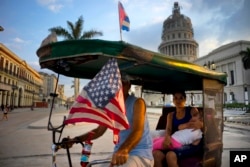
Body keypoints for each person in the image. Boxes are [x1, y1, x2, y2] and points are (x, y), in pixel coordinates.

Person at [69, 74, 154, 167]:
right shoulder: (112, 107)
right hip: (119, 153)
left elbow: (138, 131)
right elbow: (99, 131)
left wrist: (124, 150)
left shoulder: (138, 103)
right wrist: (75, 140)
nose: (118, 88)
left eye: (122, 84)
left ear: (128, 85)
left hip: (140, 154)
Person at [153, 90, 203, 167]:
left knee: (170, 155)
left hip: (191, 143)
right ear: (173, 100)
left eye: (181, 98)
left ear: (185, 99)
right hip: (175, 141)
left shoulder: (192, 110)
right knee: (156, 154)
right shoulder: (170, 115)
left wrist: (201, 124)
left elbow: (199, 121)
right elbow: (168, 129)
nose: (178, 100)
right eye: (175, 98)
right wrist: (167, 138)